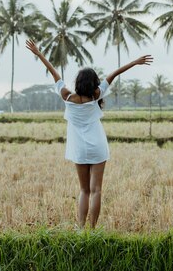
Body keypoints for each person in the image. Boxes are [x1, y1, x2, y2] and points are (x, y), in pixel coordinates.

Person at [25, 39, 153, 229]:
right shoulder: (96, 96)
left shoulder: (67, 97)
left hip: (79, 149)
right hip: (98, 147)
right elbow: (114, 74)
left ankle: (80, 228)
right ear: (94, 84)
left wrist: (39, 53)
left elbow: (54, 72)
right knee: (96, 191)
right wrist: (135, 62)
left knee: (84, 190)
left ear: (77, 83)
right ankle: (92, 230)